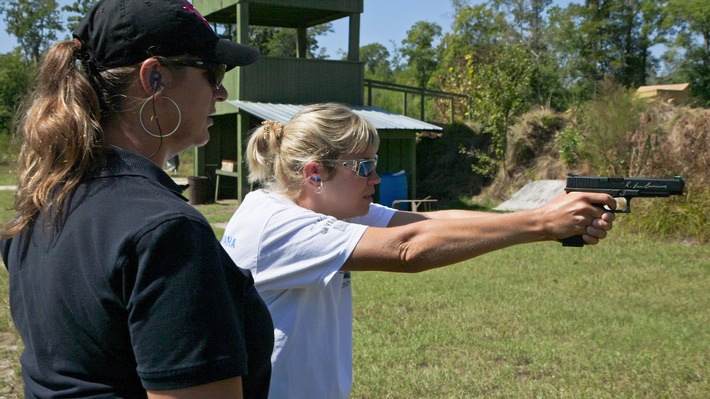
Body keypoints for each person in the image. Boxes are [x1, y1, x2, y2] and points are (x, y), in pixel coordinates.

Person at [220, 103, 617, 399]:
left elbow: (427, 222)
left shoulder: (310, 207)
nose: (375, 177)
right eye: (363, 167)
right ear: (314, 173)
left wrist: (543, 217)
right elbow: (407, 249)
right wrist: (543, 223)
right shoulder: (278, 225)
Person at [0, 0, 274, 397]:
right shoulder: (166, 232)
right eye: (212, 73)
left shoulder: (43, 203)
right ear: (154, 77)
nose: (222, 91)